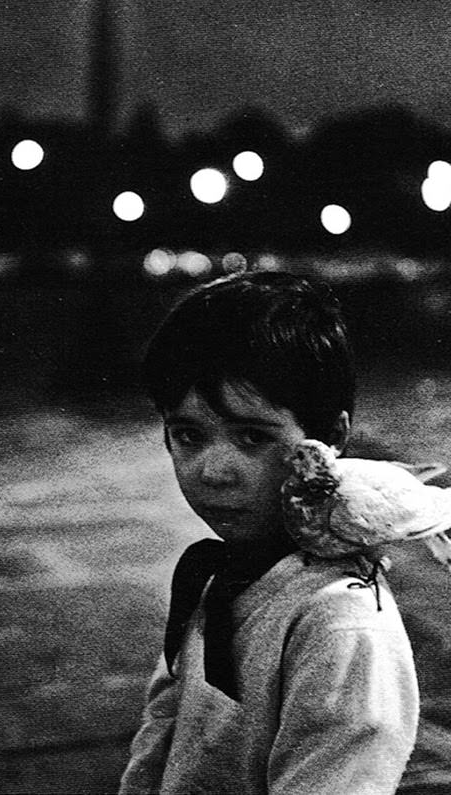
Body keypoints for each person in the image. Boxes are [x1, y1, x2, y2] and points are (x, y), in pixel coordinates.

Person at [118, 271, 418, 795]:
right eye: (188, 435)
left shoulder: (341, 626)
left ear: (330, 439)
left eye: (252, 437)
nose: (213, 470)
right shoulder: (220, 570)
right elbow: (165, 719)